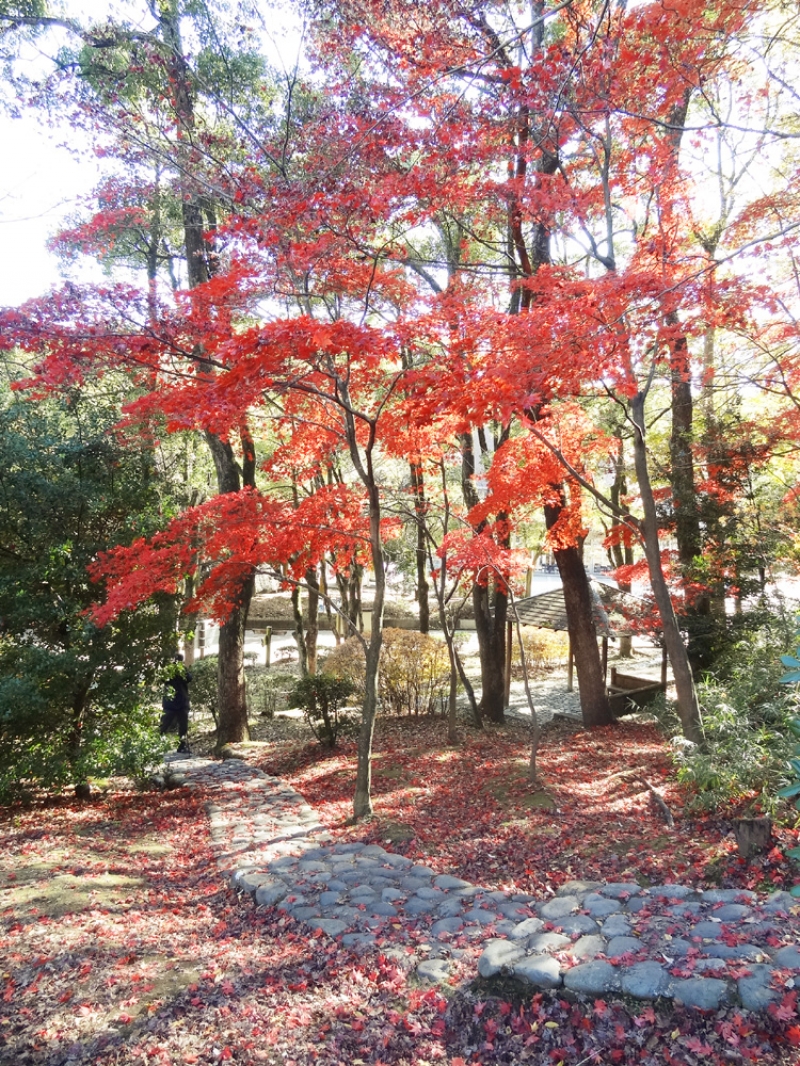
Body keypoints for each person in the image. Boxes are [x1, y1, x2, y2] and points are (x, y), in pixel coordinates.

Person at [160, 654, 193, 755]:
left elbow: (188, 678)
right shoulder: (169, 670)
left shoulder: (182, 670)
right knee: (165, 725)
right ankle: (157, 745)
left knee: (181, 726)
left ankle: (181, 746)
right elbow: (163, 679)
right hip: (173, 702)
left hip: (178, 703)